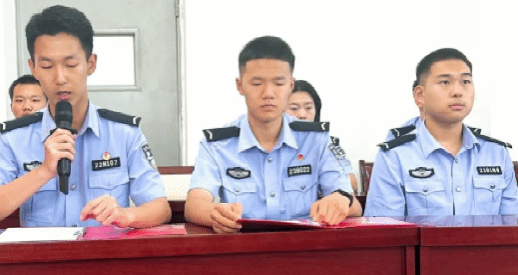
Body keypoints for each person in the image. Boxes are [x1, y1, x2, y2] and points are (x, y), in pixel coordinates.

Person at [0, 5, 171, 230]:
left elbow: (160, 208)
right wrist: (43, 172)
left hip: (105, 252)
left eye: (71, 64)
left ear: (91, 64)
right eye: (47, 66)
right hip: (42, 253)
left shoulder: (123, 133)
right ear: (33, 68)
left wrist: (126, 215)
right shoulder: (14, 139)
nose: (60, 78)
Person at [185, 36, 361, 234]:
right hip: (242, 247)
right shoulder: (217, 144)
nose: (268, 93)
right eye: (257, 83)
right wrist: (214, 214)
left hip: (306, 246)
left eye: (278, 83)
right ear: (240, 86)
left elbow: (351, 202)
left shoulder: (315, 139)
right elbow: (195, 204)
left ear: (291, 86)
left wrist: (339, 199)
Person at [365, 48, 518, 216]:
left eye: (466, 81)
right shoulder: (395, 156)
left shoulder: (496, 153)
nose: (458, 91)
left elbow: (511, 225)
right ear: (420, 95)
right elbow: (385, 229)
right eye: (445, 82)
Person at [286, 79, 358, 192]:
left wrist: (324, 175)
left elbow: (352, 183)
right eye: (294, 109)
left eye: (308, 108)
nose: (302, 115)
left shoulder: (327, 143)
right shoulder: (271, 143)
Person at [0, 75, 47, 167]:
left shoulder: (59, 139)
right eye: (19, 100)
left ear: (48, 105)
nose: (27, 107)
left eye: (35, 100)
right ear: (11, 106)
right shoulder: (0, 147)